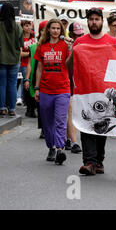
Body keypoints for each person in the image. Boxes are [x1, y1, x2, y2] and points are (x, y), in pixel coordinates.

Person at [67, 7, 116, 176]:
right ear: (87, 22)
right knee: (86, 125)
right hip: (84, 92)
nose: (94, 22)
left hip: (104, 92)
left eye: (97, 19)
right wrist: (73, 54)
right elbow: (69, 66)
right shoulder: (79, 42)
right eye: (91, 19)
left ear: (102, 22)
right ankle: (89, 162)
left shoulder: (112, 41)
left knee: (101, 128)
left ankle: (99, 161)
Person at [34, 19, 71, 165]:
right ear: (48, 30)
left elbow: (72, 63)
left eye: (58, 28)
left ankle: (60, 149)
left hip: (62, 89)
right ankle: (51, 147)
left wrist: (71, 47)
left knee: (60, 120)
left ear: (61, 30)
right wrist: (36, 88)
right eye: (53, 28)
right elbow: (39, 69)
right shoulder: (42, 46)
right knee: (47, 122)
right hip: (45, 90)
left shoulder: (65, 45)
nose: (55, 31)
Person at [64, 22, 85, 154]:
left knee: (72, 111)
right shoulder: (65, 45)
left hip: (79, 82)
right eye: (77, 35)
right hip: (66, 81)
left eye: (81, 34)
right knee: (71, 111)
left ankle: (68, 139)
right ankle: (74, 142)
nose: (79, 37)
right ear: (70, 34)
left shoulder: (84, 44)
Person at [0, 3, 23, 117]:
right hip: (15, 59)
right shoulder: (18, 27)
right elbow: (21, 44)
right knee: (12, 84)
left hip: (1, 59)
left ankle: (2, 108)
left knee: (2, 84)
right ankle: (12, 109)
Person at [24, 20, 47, 137]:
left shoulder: (55, 47)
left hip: (50, 80)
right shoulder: (33, 47)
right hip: (36, 80)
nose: (45, 33)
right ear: (40, 32)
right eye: (43, 30)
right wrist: (27, 79)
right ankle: (43, 128)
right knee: (40, 105)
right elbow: (29, 64)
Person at [17, 20, 37, 107]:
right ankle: (19, 98)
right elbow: (20, 53)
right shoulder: (20, 38)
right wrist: (30, 53)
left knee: (28, 81)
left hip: (32, 63)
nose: (28, 27)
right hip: (22, 64)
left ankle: (26, 100)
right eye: (26, 26)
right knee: (23, 81)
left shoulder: (33, 38)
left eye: (30, 25)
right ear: (22, 27)